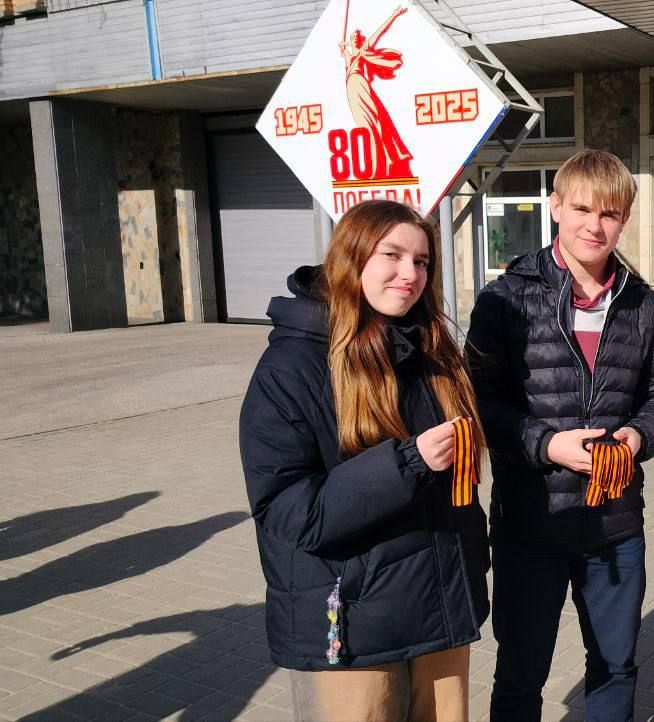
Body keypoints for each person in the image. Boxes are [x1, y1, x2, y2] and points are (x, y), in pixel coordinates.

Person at [240, 200, 489, 721]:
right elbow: (288, 512)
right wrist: (408, 462)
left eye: (422, 261)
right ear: (351, 258)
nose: (410, 274)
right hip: (355, 625)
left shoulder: (431, 348)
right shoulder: (291, 366)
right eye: (391, 255)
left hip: (439, 611)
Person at [466, 149, 654, 722]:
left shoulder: (644, 306)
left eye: (609, 214)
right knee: (520, 672)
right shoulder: (505, 298)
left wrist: (637, 439)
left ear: (624, 219)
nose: (594, 226)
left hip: (614, 524)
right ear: (555, 206)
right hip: (531, 522)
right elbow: (479, 400)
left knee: (615, 666)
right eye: (582, 209)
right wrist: (547, 444)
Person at [341, 6, 414, 180]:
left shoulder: (364, 50)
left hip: (361, 87)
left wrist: (393, 15)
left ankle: (384, 162)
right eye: (353, 37)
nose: (355, 39)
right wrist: (342, 48)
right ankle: (375, 164)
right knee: (363, 126)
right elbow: (344, 54)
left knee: (374, 123)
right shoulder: (349, 57)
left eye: (358, 37)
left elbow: (380, 32)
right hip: (352, 92)